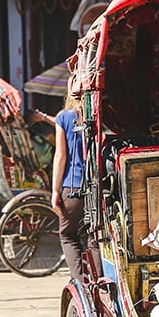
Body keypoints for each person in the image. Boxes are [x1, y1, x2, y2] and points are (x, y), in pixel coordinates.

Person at [50, 89, 88, 280]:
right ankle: (99, 284)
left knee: (68, 235)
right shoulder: (99, 116)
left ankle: (82, 283)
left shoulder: (63, 118)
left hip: (72, 189)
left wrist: (55, 190)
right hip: (98, 190)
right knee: (95, 240)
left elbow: (60, 156)